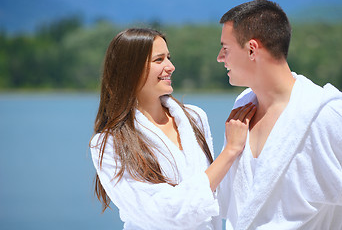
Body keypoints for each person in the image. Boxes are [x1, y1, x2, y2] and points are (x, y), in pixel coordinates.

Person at [89, 28, 256, 229]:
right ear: (129, 69)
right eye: (159, 60)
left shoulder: (195, 118)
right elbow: (163, 213)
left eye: (169, 57)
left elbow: (216, 193)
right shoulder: (109, 143)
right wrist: (230, 151)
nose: (171, 66)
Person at [216, 0, 342, 230]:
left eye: (225, 48)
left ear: (252, 49)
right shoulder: (242, 108)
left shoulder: (325, 115)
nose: (220, 58)